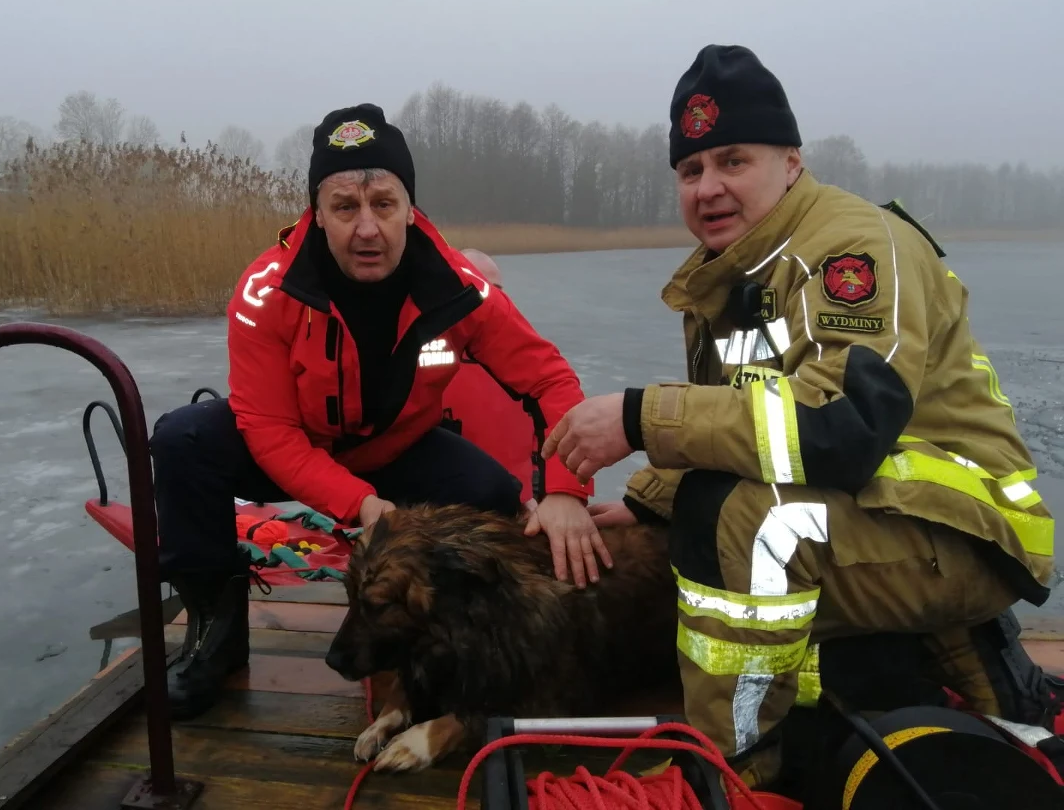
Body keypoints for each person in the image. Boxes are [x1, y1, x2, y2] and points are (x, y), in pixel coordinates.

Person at [543, 44, 1058, 785]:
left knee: (748, 524)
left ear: (791, 161)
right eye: (691, 171)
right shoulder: (736, 274)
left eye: (732, 160)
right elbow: (749, 430)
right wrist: (650, 501)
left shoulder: (851, 250)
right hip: (886, 515)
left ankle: (732, 769)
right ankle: (929, 665)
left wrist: (638, 418)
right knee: (706, 511)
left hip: (969, 531)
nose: (709, 187)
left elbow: (840, 426)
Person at [149, 103, 601, 719]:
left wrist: (567, 491)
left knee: (495, 494)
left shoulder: (461, 287)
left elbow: (549, 380)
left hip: (400, 445)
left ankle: (463, 650)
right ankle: (216, 636)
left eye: (383, 204)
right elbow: (270, 430)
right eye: (345, 207)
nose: (367, 228)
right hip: (292, 449)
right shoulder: (265, 291)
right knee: (183, 441)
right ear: (317, 215)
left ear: (409, 211)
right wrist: (360, 505)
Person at [440, 249, 540, 507]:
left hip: (523, 510)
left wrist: (552, 500)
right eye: (475, 287)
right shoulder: (417, 361)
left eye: (496, 290)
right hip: (446, 513)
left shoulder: (531, 362)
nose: (487, 299)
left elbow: (556, 441)